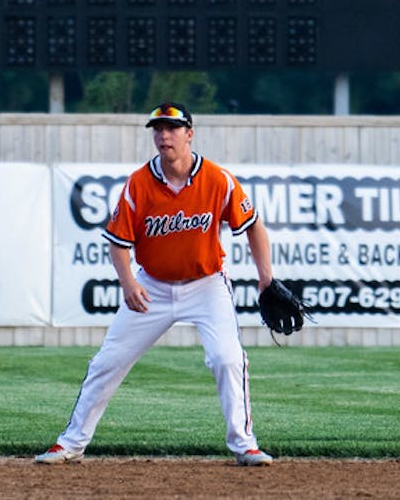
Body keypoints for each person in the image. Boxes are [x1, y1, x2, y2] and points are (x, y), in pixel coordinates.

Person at [35, 102, 277, 466]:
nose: (164, 135)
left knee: (228, 359)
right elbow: (118, 242)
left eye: (172, 128)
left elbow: (253, 224)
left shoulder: (217, 179)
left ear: (189, 134)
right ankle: (71, 442)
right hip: (153, 287)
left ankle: (244, 444)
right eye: (158, 129)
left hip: (207, 285)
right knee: (109, 361)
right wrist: (129, 282)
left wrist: (266, 278)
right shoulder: (139, 183)